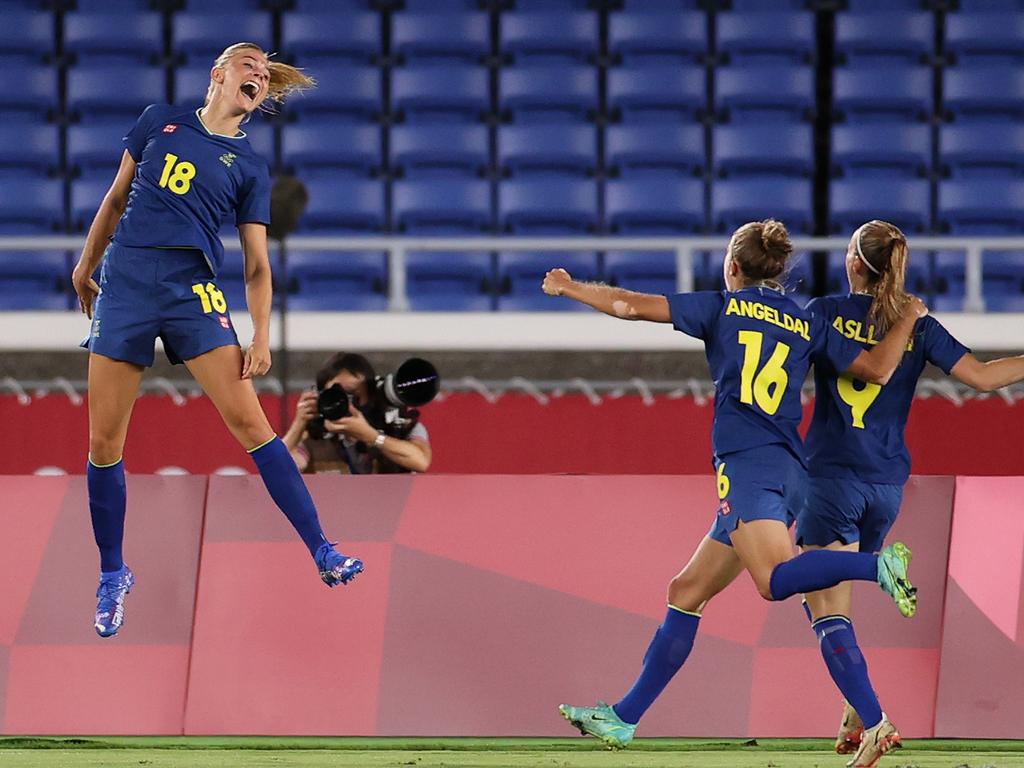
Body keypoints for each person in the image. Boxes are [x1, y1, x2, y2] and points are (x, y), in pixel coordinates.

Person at [544, 220, 927, 752]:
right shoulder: (803, 319)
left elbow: (630, 306)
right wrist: (907, 318)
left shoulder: (722, 307)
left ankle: (876, 566)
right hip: (789, 469)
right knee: (687, 591)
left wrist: (570, 287)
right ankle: (623, 717)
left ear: (733, 268)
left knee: (773, 580)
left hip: (750, 465)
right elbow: (878, 370)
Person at [71, 43, 363, 639]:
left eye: (263, 71)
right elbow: (117, 197)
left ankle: (323, 550)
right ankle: (112, 573)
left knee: (251, 423)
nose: (257, 73)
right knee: (104, 441)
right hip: (127, 282)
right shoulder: (159, 120)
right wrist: (85, 264)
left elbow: (258, 264)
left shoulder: (250, 167)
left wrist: (262, 332)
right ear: (218, 74)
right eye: (247, 64)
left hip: (192, 291)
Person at [797, 220, 1024, 766]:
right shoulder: (917, 323)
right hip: (886, 486)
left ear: (854, 262)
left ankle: (875, 722)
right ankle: (855, 710)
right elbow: (984, 378)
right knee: (837, 604)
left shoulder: (822, 312)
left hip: (831, 477)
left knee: (821, 605)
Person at [283, 352, 432, 474]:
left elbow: (420, 461)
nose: (346, 404)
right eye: (336, 394)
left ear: (370, 396)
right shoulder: (313, 436)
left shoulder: (400, 426)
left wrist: (371, 436)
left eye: (353, 395)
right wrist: (299, 423)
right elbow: (278, 468)